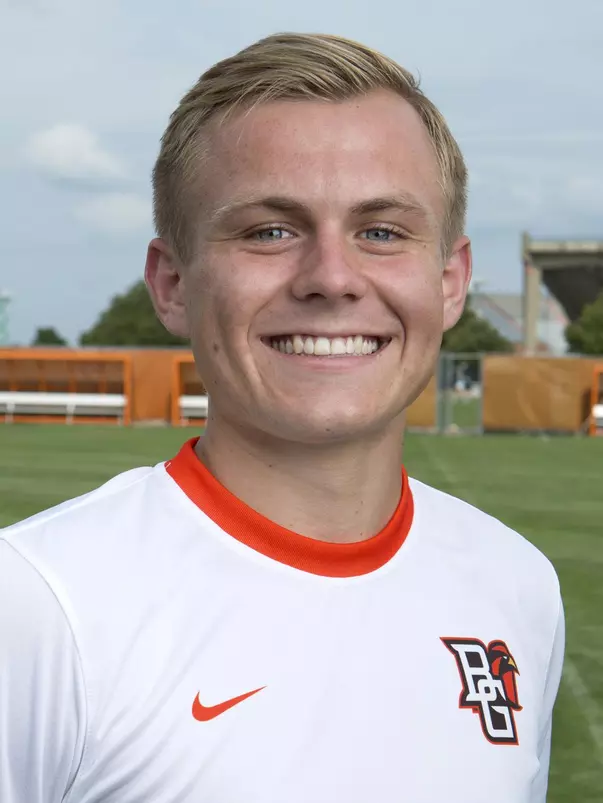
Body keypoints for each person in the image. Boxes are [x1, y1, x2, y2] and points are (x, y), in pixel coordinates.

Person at [0, 32, 564, 803]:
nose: (331, 276)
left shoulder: (517, 585)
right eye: (269, 230)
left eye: (380, 231)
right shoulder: (35, 607)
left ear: (450, 281)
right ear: (170, 282)